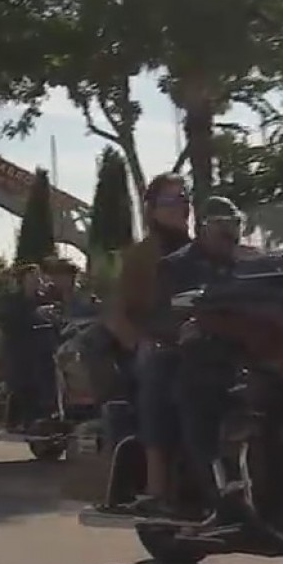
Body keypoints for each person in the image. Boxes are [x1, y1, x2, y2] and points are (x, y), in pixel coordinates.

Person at [151, 196, 245, 523]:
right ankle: (215, 490)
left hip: (251, 352)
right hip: (202, 354)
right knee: (199, 394)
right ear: (204, 228)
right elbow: (161, 315)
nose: (231, 234)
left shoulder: (250, 262)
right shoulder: (177, 266)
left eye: (235, 225)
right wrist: (182, 328)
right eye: (223, 227)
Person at [105, 173, 193, 517]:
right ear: (152, 209)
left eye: (184, 198)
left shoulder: (201, 250)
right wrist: (143, 342)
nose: (180, 207)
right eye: (171, 200)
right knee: (159, 371)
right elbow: (117, 314)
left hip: (201, 343)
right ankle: (156, 487)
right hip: (159, 344)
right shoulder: (141, 256)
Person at [0, 264, 58, 432]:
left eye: (38, 277)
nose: (36, 281)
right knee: (21, 384)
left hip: (42, 348)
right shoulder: (14, 301)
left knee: (44, 382)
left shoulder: (45, 300)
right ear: (23, 281)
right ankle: (16, 421)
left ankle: (40, 419)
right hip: (20, 349)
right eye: (32, 278)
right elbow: (9, 323)